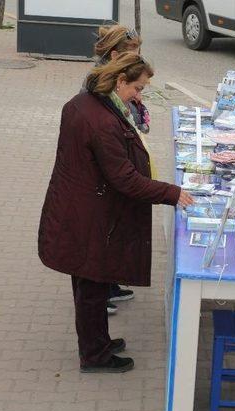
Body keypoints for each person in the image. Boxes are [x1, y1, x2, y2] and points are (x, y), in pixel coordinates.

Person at [38, 53, 194, 373]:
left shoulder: (87, 103)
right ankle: (94, 356)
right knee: (92, 286)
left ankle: (100, 342)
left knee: (89, 283)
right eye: (138, 88)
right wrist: (172, 193)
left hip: (79, 206)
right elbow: (124, 179)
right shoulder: (103, 121)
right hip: (89, 214)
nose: (140, 95)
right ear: (120, 81)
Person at [92, 25, 151, 308]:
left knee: (114, 231)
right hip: (104, 177)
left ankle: (109, 283)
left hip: (113, 168)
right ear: (115, 55)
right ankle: (99, 292)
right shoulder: (99, 86)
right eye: (132, 58)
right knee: (105, 232)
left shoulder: (118, 82)